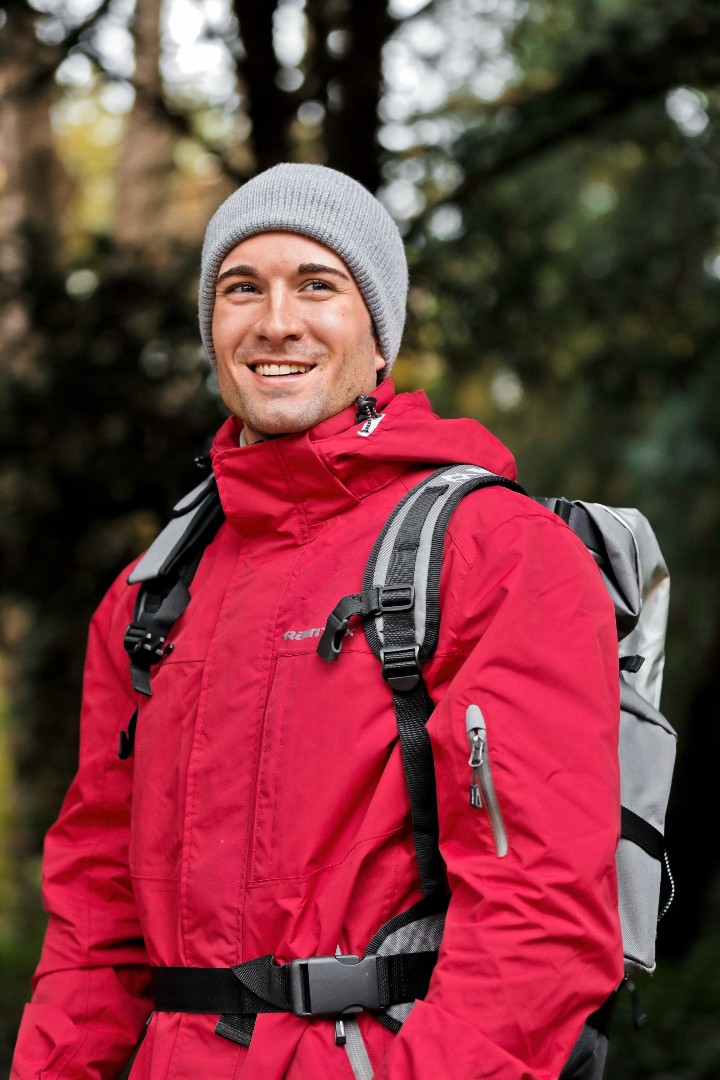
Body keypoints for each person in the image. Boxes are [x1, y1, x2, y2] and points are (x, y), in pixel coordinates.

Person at [11, 164, 623, 1080]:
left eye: (317, 285)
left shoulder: (495, 551)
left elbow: (539, 918)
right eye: (241, 288)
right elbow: (94, 928)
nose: (275, 322)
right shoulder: (150, 596)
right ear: (212, 330)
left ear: (380, 338)